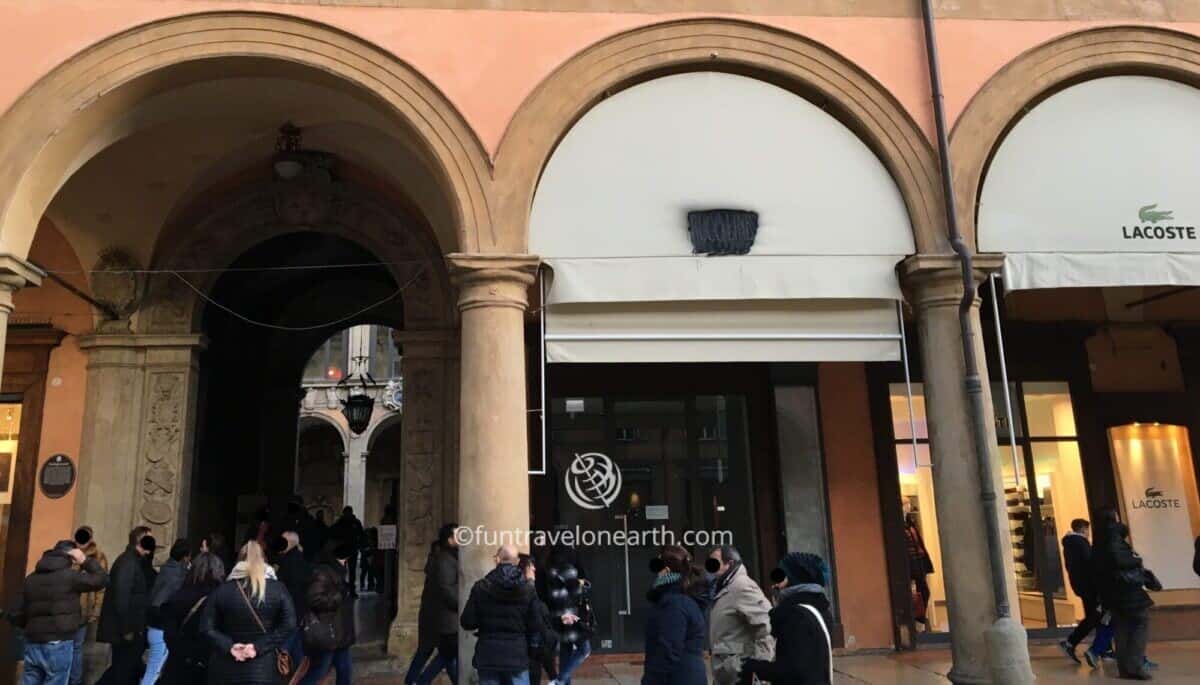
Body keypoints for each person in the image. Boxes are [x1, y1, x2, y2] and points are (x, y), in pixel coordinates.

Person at [9, 540, 108, 685]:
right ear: (71, 557)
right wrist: (85, 561)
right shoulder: (71, 577)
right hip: (58, 642)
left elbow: (18, 612)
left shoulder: (30, 579)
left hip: (33, 642)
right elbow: (102, 579)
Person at [200, 540, 296, 685]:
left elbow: (206, 628)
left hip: (227, 668)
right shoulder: (278, 589)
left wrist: (229, 646)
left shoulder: (222, 590)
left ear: (239, 560)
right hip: (265, 667)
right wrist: (257, 647)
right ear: (264, 560)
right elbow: (289, 624)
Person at [740, 552, 834, 685]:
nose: (775, 584)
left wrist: (753, 667)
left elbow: (792, 670)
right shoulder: (820, 609)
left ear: (794, 577)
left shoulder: (796, 616)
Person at [1092, 508, 1156, 681]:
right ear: (1114, 518)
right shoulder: (1114, 536)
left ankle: (1125, 668)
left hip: (1112, 593)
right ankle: (1135, 666)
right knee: (1139, 624)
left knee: (1122, 628)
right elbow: (1118, 559)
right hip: (1127, 591)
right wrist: (1137, 560)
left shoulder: (1098, 539)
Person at [460, 544, 538, 685]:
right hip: (517, 654)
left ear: (497, 560)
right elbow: (535, 624)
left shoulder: (481, 587)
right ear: (518, 561)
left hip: (488, 654)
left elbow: (467, 621)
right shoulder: (528, 589)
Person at [706, 545, 774, 685]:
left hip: (740, 676)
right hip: (726, 675)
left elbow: (768, 627)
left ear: (729, 563)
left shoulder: (741, 586)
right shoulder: (723, 587)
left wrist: (754, 667)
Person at [642, 545, 708, 685]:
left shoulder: (674, 603)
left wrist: (650, 681)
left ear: (666, 570)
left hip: (678, 678)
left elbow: (668, 651)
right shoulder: (679, 598)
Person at [97, 527, 155, 685]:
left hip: (131, 628)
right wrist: (127, 629)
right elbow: (122, 598)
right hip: (126, 630)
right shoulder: (128, 562)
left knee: (124, 670)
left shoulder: (133, 561)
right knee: (122, 672)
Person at [404, 523, 459, 685]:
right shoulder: (445, 561)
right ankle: (419, 681)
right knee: (446, 654)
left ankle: (412, 681)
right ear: (449, 540)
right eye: (459, 535)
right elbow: (447, 590)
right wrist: (462, 605)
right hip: (443, 618)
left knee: (437, 653)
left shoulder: (444, 558)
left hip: (435, 616)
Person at [161, 553, 226, 685]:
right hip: (206, 668)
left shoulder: (179, 595)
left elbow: (169, 634)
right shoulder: (221, 600)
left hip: (178, 666)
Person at [296, 545, 357, 685]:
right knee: (318, 673)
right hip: (328, 632)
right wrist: (339, 596)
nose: (346, 562)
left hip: (340, 633)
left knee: (345, 672)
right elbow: (315, 599)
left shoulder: (336, 572)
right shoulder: (322, 572)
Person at [543, 542, 593, 685]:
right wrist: (582, 583)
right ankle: (560, 680)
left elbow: (553, 594)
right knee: (585, 649)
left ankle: (564, 682)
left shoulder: (550, 569)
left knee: (566, 651)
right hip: (571, 616)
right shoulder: (568, 569)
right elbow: (575, 591)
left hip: (558, 616)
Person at [141, 539, 190, 684]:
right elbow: (159, 601)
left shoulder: (167, 568)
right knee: (153, 672)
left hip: (154, 626)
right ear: (185, 557)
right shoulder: (175, 577)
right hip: (161, 628)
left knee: (153, 670)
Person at [1059, 519, 1104, 665]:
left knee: (1094, 615)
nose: (1089, 533)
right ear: (1084, 529)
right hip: (1089, 586)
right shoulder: (1080, 543)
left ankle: (1100, 648)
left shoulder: (1070, 543)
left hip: (1081, 585)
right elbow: (1090, 563)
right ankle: (1072, 642)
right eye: (1088, 530)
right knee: (1096, 616)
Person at [71, 526, 108, 685]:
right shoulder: (67, 554)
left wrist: (96, 610)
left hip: (83, 611)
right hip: (64, 608)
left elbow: (102, 587)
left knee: (77, 649)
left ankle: (75, 682)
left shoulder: (98, 557)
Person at [519, 554, 559, 685]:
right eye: (531, 566)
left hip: (530, 649)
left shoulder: (529, 589)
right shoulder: (527, 591)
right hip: (530, 650)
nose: (534, 569)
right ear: (523, 569)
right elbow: (537, 626)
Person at [275, 531, 312, 666]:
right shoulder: (297, 559)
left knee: (290, 638)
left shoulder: (289, 562)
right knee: (297, 641)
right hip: (298, 609)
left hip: (292, 608)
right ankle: (299, 669)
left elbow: (289, 588)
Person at [903, 513, 933, 631]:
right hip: (911, 565)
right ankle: (915, 622)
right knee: (914, 593)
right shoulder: (905, 527)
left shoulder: (911, 525)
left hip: (917, 564)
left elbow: (918, 545)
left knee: (924, 592)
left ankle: (919, 621)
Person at [328, 507, 364, 597]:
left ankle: (351, 590)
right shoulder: (340, 523)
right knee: (341, 571)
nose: (347, 514)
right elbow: (332, 533)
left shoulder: (356, 522)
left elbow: (361, 535)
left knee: (351, 572)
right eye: (346, 513)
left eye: (349, 513)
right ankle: (342, 589)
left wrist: (359, 546)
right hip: (342, 551)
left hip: (351, 550)